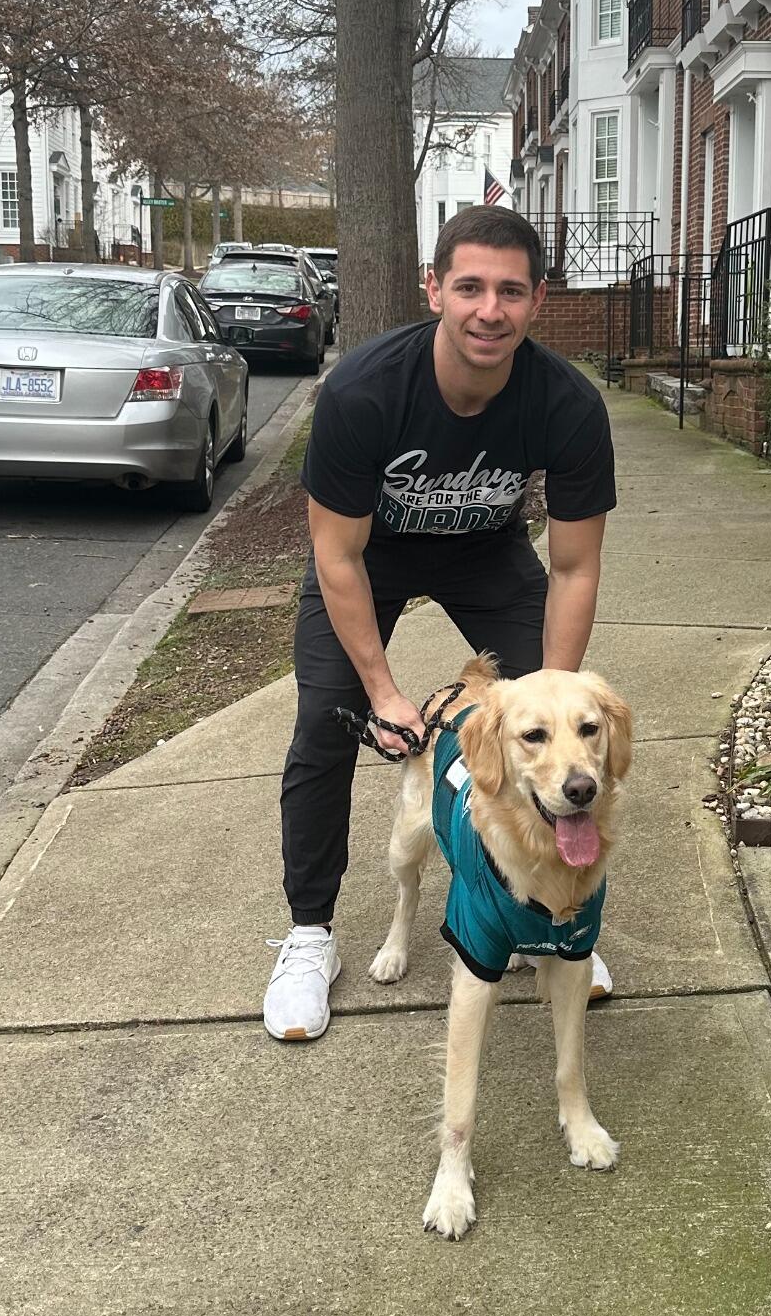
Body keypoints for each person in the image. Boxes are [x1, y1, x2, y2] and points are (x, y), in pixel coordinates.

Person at [263, 208, 617, 1041]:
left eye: (509, 291)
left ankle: (545, 916)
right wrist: (384, 693)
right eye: (468, 287)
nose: (487, 310)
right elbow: (337, 557)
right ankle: (310, 937)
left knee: (557, 731)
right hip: (370, 556)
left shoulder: (566, 404)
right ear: (434, 290)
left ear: (536, 301)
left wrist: (550, 695)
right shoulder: (363, 391)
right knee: (321, 721)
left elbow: (573, 566)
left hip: (485, 551)